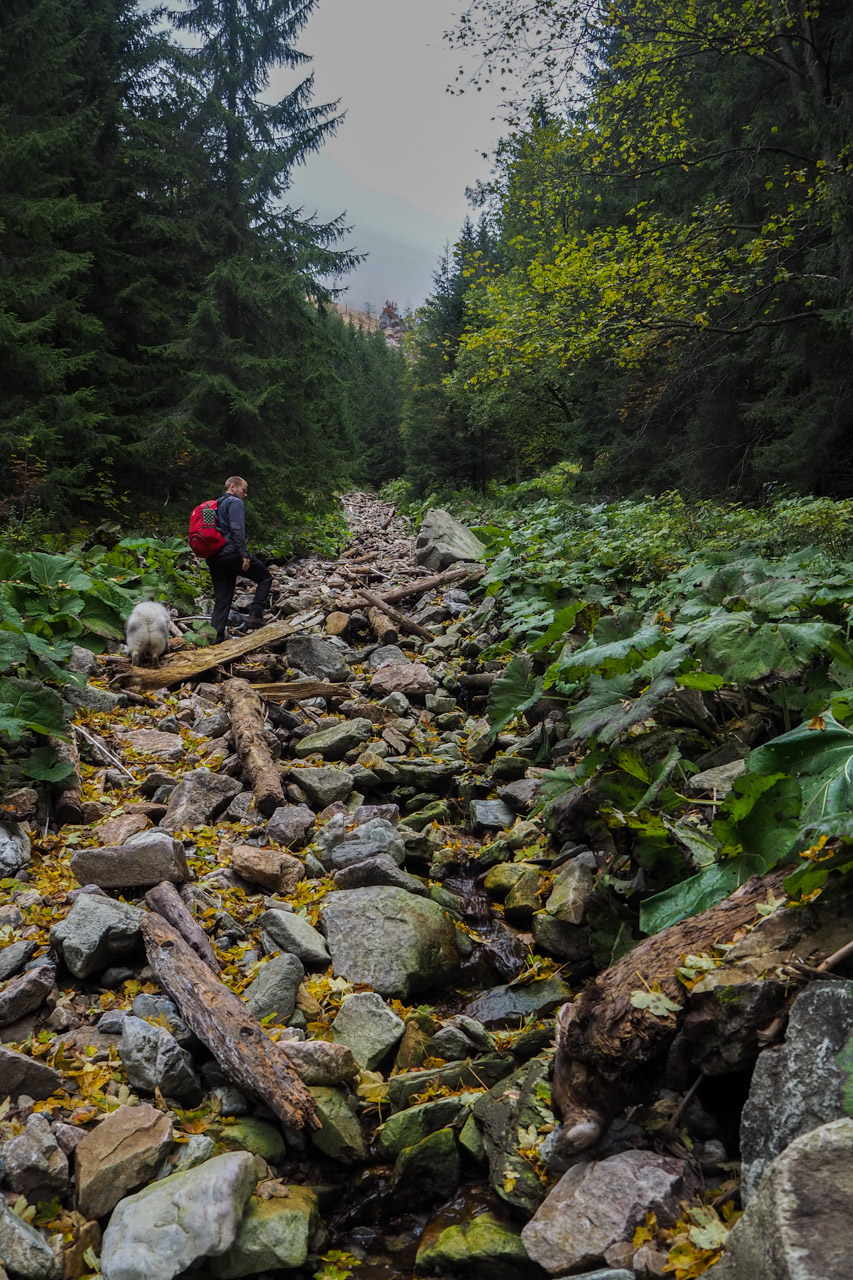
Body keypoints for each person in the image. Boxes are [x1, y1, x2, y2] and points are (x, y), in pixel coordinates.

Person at [207, 476, 272, 644]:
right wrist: (244, 554)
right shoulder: (234, 503)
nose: (245, 494)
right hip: (231, 554)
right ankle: (255, 616)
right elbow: (237, 529)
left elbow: (208, 532)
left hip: (214, 558)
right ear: (233, 487)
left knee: (222, 602)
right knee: (265, 577)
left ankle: (214, 642)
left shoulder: (211, 506)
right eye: (244, 490)